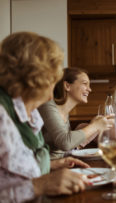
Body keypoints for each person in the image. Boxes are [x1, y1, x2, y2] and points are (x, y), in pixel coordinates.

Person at [0, 32, 92, 202]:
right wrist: (39, 185)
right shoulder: (2, 116)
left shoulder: (29, 113)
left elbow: (10, 170)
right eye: (52, 79)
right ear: (34, 77)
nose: (52, 95)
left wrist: (51, 164)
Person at [39, 67, 113, 158]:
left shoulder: (65, 112)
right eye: (85, 84)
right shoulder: (47, 106)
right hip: (45, 169)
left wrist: (91, 130)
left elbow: (63, 149)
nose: (89, 89)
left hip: (62, 164)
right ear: (67, 86)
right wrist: (94, 126)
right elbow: (64, 143)